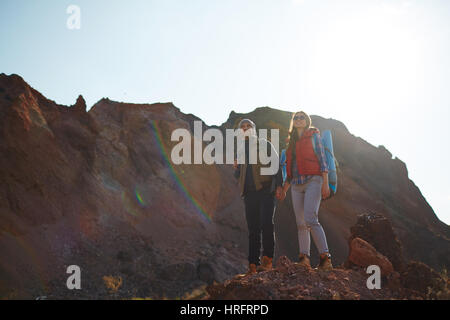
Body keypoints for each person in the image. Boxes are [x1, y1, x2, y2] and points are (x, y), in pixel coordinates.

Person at [279, 111, 333, 270]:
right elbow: (289, 171)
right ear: (293, 122)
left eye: (302, 117)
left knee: (310, 218)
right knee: (301, 223)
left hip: (313, 181)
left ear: (307, 120)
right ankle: (304, 259)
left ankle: (325, 258)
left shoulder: (314, 136)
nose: (299, 119)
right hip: (296, 185)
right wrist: (284, 189)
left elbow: (323, 161)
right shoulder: (290, 143)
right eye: (296, 117)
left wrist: (325, 183)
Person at [233, 119, 283, 274]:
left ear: (254, 129)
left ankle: (267, 261)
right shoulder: (240, 150)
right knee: (253, 229)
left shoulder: (264, 144)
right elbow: (240, 175)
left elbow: (276, 165)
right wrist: (236, 169)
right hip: (249, 194)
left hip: (266, 190)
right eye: (243, 127)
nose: (246, 128)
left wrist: (280, 186)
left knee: (266, 223)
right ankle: (253, 265)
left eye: (249, 126)